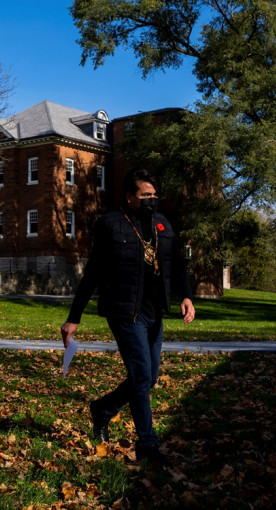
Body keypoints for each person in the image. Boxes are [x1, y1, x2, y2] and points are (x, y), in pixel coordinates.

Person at [61, 168, 195, 466]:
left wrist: (186, 296)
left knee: (148, 378)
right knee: (141, 375)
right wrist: (74, 317)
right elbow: (93, 272)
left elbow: (177, 264)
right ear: (129, 197)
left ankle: (102, 410)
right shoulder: (110, 224)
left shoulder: (162, 224)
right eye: (145, 195)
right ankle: (147, 443)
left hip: (153, 313)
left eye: (154, 195)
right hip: (123, 311)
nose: (151, 200)